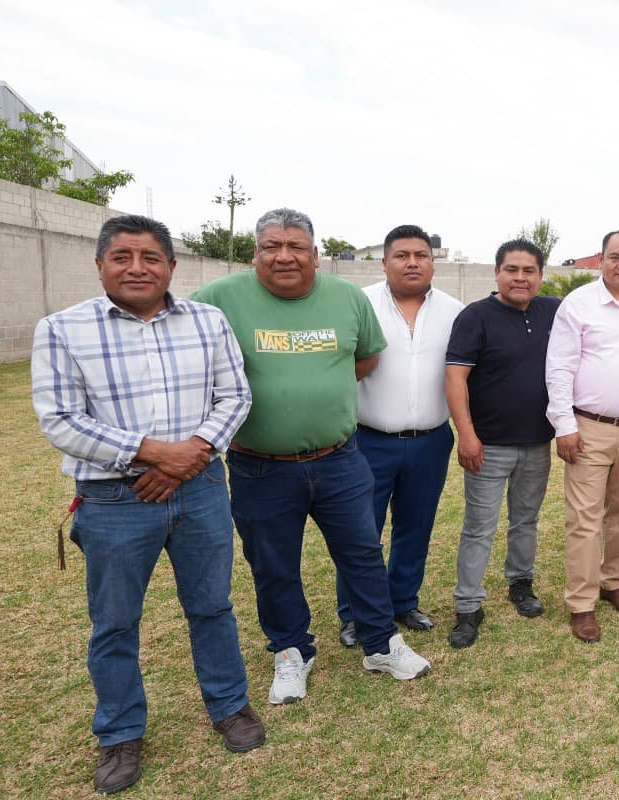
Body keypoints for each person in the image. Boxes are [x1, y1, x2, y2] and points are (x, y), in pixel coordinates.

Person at [32, 215, 263, 794]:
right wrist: (156, 453)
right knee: (115, 623)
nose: (137, 268)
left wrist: (194, 453)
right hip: (114, 499)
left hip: (200, 491)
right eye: (122, 256)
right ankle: (119, 732)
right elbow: (61, 419)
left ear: (171, 266)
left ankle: (230, 705)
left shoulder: (207, 321)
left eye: (151, 257)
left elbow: (235, 396)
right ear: (100, 264)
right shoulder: (62, 329)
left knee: (212, 606)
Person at [193, 207, 431, 705]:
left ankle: (380, 643)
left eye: (296, 247)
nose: (284, 256)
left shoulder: (346, 298)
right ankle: (291, 652)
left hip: (340, 459)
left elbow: (364, 358)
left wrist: (312, 391)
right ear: (255, 253)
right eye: (272, 246)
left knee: (362, 554)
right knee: (274, 564)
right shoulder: (217, 300)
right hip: (260, 465)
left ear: (315, 254)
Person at [336, 224, 463, 647]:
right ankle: (355, 614)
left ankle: (404, 600)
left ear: (433, 262)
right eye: (402, 255)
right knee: (360, 532)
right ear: (385, 261)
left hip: (430, 440)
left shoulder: (454, 311)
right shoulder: (359, 304)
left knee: (416, 526)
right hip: (368, 440)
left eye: (421, 255)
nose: (412, 263)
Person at [545, 229, 619, 643]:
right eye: (614, 257)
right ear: (601, 260)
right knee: (584, 519)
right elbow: (559, 367)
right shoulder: (578, 304)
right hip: (588, 428)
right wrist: (564, 425)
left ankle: (613, 582)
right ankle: (582, 603)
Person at [443, 239, 556, 648]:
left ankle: (520, 583)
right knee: (479, 528)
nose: (520, 277)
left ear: (540, 275)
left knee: (525, 520)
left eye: (529, 270)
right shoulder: (475, 317)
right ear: (497, 273)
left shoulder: (553, 311)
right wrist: (467, 435)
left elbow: (597, 312)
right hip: (488, 447)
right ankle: (468, 605)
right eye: (512, 269)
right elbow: (455, 378)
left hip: (537, 443)